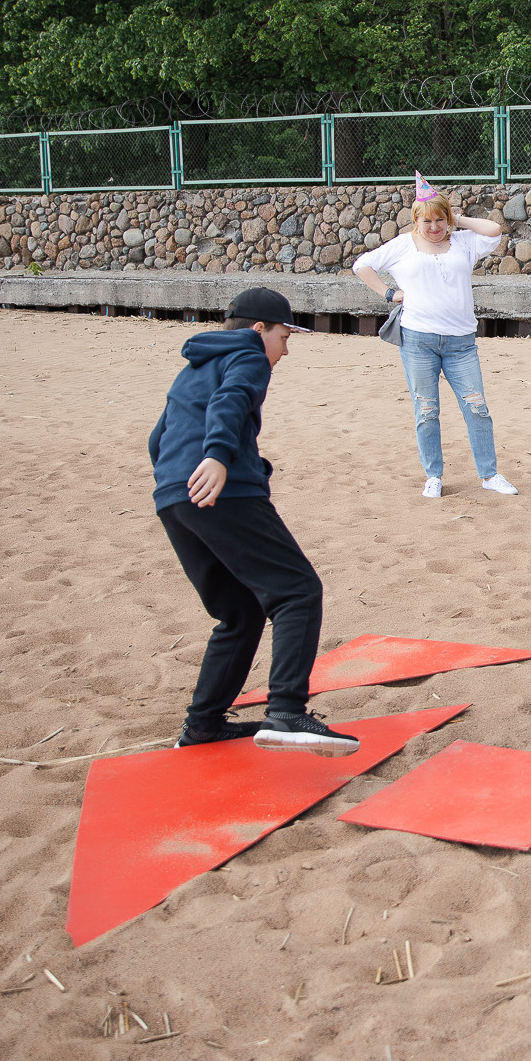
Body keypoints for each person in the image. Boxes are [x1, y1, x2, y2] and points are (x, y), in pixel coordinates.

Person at [149, 287, 359, 755]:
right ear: (258, 328)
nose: (286, 349)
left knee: (240, 612)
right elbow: (232, 401)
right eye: (285, 335)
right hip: (223, 490)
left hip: (173, 498)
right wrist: (220, 458)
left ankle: (202, 725)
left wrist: (183, 476)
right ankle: (286, 710)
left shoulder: (193, 367)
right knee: (297, 591)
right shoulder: (249, 356)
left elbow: (158, 437)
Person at [354, 173, 516, 499]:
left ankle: (489, 474)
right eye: (427, 220)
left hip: (461, 343)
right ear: (416, 220)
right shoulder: (403, 245)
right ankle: (433, 475)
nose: (434, 227)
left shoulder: (463, 242)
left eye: (440, 219)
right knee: (426, 410)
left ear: (448, 219)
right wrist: (389, 293)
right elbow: (362, 265)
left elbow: (495, 230)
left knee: (477, 408)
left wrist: (458, 218)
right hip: (418, 340)